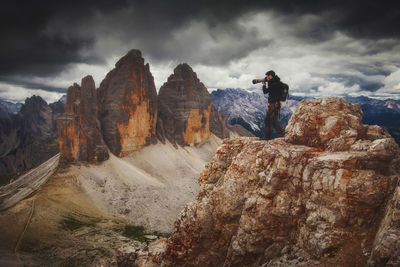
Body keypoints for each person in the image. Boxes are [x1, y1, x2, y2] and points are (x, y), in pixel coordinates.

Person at [262, 70, 284, 140]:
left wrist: (264, 85)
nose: (266, 77)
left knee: (271, 120)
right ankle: (270, 137)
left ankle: (280, 137)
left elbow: (265, 91)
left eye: (267, 76)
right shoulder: (275, 82)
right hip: (273, 103)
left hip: (274, 104)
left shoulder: (275, 83)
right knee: (271, 120)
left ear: (270, 76)